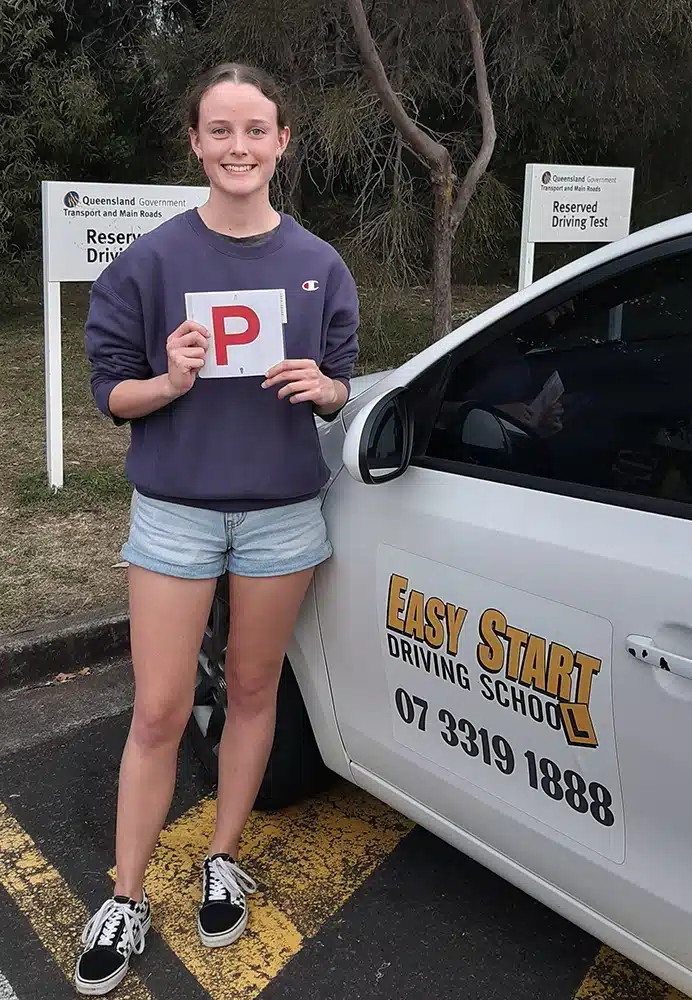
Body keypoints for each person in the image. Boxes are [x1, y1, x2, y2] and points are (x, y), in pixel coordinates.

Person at [76, 62, 359, 996]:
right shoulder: (151, 262)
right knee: (159, 711)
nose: (240, 148)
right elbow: (112, 393)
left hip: (282, 518)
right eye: (221, 131)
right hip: (174, 517)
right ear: (195, 145)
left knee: (249, 692)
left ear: (282, 143)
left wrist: (329, 391)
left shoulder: (319, 264)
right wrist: (169, 382)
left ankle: (223, 856)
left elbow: (342, 381)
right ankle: (124, 894)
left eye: (256, 130)